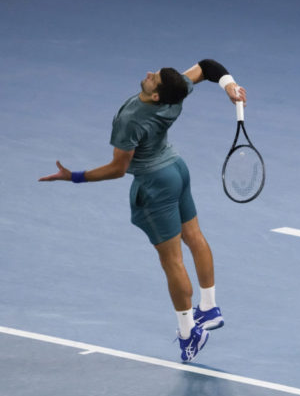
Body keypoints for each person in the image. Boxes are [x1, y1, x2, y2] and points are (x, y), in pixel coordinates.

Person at [39, 59, 246, 363]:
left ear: (156, 96)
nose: (150, 74)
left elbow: (117, 169)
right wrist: (229, 85)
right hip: (177, 169)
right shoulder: (177, 92)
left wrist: (74, 176)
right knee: (194, 236)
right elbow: (206, 67)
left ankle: (190, 333)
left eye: (155, 79)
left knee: (172, 260)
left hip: (155, 184)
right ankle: (209, 307)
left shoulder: (133, 120)